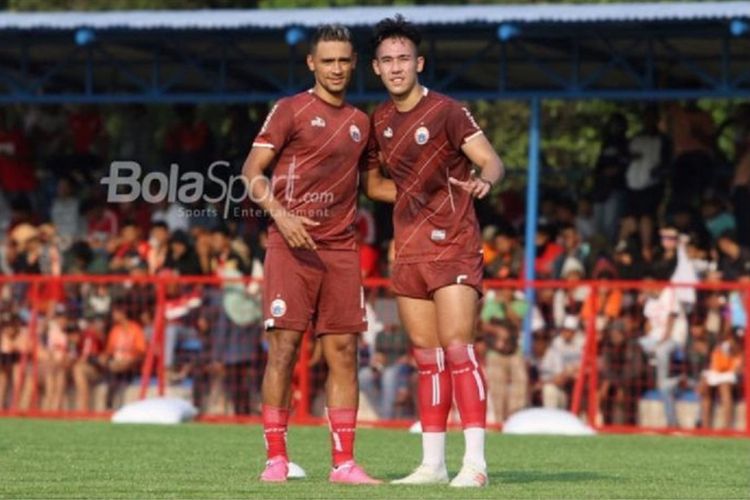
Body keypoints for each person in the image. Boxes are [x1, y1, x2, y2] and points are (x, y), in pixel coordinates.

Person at [242, 24, 393, 485]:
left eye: (344, 60)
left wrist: (427, 191)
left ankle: (343, 463)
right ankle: (276, 459)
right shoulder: (289, 110)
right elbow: (251, 171)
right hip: (290, 248)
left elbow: (373, 187)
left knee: (344, 352)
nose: (336, 68)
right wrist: (282, 216)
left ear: (354, 63)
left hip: (342, 249)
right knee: (284, 349)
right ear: (312, 63)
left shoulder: (362, 123)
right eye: (327, 60)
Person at [365, 15, 504, 487]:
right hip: (408, 251)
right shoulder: (378, 120)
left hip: (455, 246)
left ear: (419, 62)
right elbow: (373, 184)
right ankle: (432, 465)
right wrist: (409, 191)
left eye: (404, 58)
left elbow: (490, 159)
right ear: (376, 69)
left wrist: (484, 180)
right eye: (387, 60)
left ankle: (476, 465)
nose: (397, 67)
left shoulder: (447, 110)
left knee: (458, 348)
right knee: (426, 357)